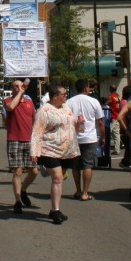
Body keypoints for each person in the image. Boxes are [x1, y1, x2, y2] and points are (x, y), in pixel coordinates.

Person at [29, 83, 79, 224]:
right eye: (64, 94)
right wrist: (35, 150)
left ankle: (53, 210)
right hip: (49, 149)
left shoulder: (65, 108)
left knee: (60, 178)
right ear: (55, 96)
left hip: (67, 150)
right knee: (57, 177)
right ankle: (56, 211)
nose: (66, 96)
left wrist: (79, 125)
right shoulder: (44, 111)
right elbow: (37, 131)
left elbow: (71, 124)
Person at [66, 79, 105, 201]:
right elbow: (100, 122)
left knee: (75, 166)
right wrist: (103, 136)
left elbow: (66, 120)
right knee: (88, 165)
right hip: (89, 137)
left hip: (74, 137)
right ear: (85, 88)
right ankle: (85, 192)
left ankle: (78, 190)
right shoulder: (94, 101)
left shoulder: (69, 102)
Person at [4, 79, 38, 215]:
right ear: (12, 89)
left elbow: (35, 121)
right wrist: (20, 94)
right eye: (15, 86)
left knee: (34, 171)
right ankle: (17, 201)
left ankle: (23, 190)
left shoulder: (29, 103)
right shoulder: (8, 100)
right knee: (18, 171)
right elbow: (11, 107)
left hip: (29, 140)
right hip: (14, 139)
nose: (18, 88)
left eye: (20, 86)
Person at [107, 84, 122, 157]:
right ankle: (117, 149)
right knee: (116, 134)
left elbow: (107, 104)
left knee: (108, 131)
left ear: (110, 89)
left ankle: (105, 148)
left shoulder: (111, 97)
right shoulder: (119, 96)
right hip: (118, 115)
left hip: (113, 116)